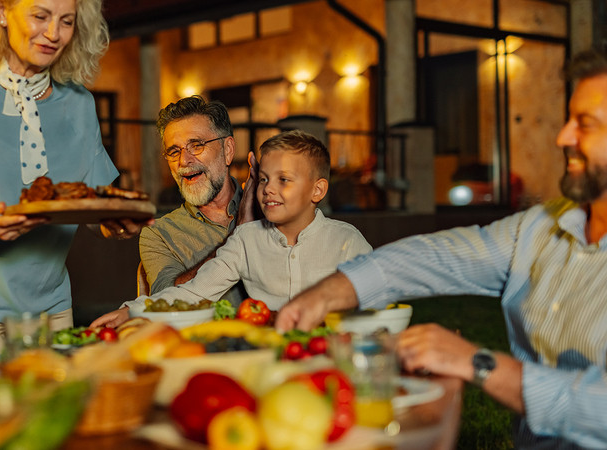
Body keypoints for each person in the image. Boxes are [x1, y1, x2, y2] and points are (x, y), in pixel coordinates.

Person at [276, 50, 607, 448]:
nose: (563, 137)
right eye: (569, 120)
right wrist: (331, 291)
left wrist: (478, 363)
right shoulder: (543, 225)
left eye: (585, 124)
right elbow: (441, 256)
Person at [0, 0, 145, 366]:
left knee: (54, 402)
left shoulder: (80, 103)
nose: (53, 33)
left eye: (66, 21)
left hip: (49, 305)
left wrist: (118, 223)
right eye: (40, 15)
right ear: (1, 11)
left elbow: (93, 206)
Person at [92, 130, 372, 327]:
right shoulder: (246, 240)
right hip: (266, 354)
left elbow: (374, 301)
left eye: (283, 180)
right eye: (263, 179)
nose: (268, 189)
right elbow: (194, 292)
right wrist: (133, 310)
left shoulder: (346, 240)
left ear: (317, 190)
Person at [138, 95, 257, 306]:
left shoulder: (270, 210)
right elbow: (168, 303)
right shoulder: (158, 234)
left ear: (228, 150)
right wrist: (241, 232)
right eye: (174, 151)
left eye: (197, 145)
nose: (184, 160)